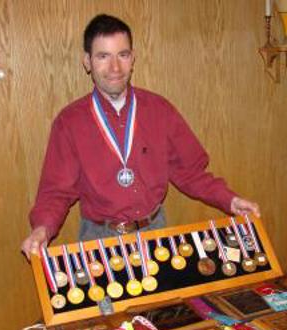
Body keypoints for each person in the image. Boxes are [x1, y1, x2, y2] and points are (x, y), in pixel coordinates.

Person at [21, 14, 259, 259]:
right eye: (103, 56)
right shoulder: (69, 122)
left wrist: (230, 200)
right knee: (105, 300)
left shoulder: (160, 110)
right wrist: (42, 229)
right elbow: (56, 192)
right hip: (99, 240)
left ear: (132, 58)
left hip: (156, 234)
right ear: (87, 62)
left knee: (165, 298)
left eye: (122, 55)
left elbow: (190, 172)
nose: (115, 68)